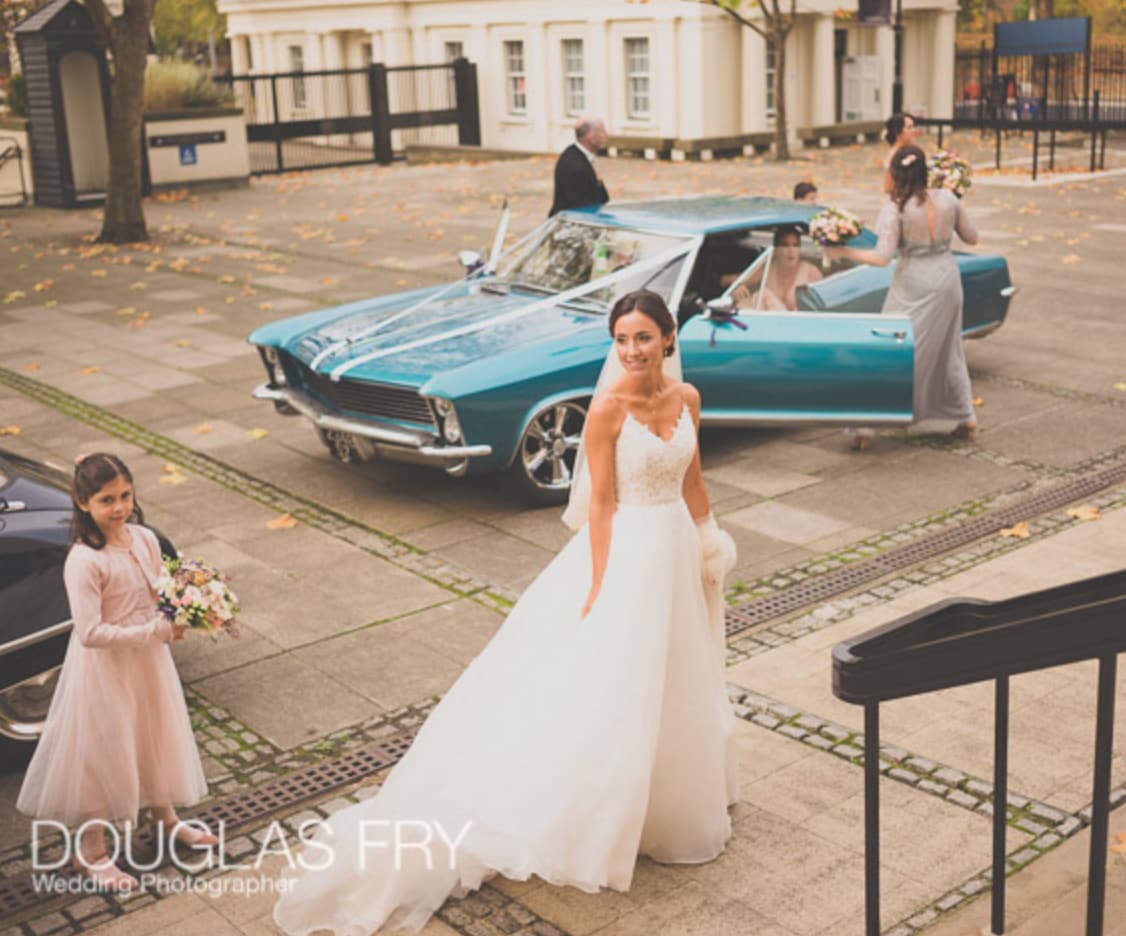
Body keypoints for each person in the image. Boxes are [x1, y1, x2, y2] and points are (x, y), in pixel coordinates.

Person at [274, 290, 738, 935]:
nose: (631, 351)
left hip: (677, 548)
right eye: (621, 340)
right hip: (628, 554)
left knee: (676, 678)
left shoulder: (686, 400)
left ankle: (668, 807)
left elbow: (692, 480)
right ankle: (596, 810)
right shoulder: (605, 410)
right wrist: (603, 580)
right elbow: (600, 505)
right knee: (614, 687)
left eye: (643, 338)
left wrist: (711, 540)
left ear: (667, 338)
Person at [17, 454, 214, 891]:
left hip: (148, 662)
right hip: (106, 671)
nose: (120, 507)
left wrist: (190, 606)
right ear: (84, 503)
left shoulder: (143, 538)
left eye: (125, 495)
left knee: (154, 734)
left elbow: (164, 589)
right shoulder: (85, 560)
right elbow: (88, 632)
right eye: (108, 500)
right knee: (104, 754)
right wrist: (152, 630)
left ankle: (166, 819)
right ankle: (92, 852)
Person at [826, 145, 979, 449]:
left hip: (914, 284)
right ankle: (966, 416)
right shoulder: (948, 199)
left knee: (889, 350)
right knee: (950, 349)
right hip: (948, 279)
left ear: (897, 175)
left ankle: (866, 425)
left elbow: (883, 257)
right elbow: (972, 237)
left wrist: (843, 251)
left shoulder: (895, 209)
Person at [732, 225, 823, 312]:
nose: (791, 251)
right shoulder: (767, 268)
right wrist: (738, 286)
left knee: (765, 295)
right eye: (785, 245)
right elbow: (738, 280)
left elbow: (821, 305)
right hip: (770, 323)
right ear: (776, 249)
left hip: (798, 323)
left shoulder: (811, 272)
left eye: (795, 245)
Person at [549, 117, 610, 216]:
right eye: (602, 131)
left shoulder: (577, 154)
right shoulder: (576, 166)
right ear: (591, 135)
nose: (606, 135)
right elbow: (582, 206)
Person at [882, 112, 923, 192]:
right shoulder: (894, 155)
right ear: (898, 132)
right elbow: (888, 188)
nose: (914, 131)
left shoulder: (908, 150)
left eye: (913, 127)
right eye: (909, 127)